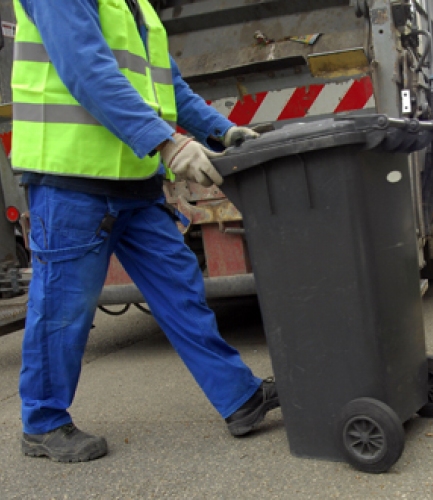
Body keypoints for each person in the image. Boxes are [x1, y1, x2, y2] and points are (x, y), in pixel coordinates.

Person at [12, 0, 280, 463]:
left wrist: (222, 131)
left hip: (135, 182)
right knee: (62, 308)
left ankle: (239, 397)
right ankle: (43, 422)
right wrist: (168, 142)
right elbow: (86, 70)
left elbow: (167, 87)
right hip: (73, 182)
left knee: (182, 292)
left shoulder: (133, 6)